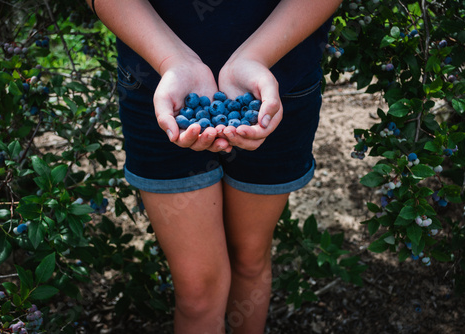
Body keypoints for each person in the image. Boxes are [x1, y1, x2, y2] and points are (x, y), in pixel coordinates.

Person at [86, 1, 342, 333]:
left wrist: (254, 57)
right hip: (158, 84)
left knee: (250, 258)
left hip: (277, 86)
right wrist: (173, 62)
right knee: (197, 292)